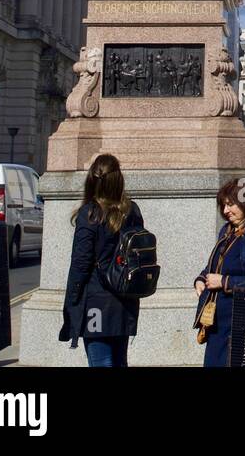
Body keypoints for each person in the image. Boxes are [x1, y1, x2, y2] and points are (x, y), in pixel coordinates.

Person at [59, 154, 143, 366]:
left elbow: (80, 264)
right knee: (119, 360)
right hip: (125, 298)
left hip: (96, 300)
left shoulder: (90, 214)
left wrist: (71, 304)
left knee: (101, 361)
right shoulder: (131, 211)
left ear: (91, 180)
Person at [193, 177, 245, 366]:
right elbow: (214, 266)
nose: (225, 211)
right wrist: (200, 279)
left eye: (230, 205)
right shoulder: (227, 230)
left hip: (242, 321)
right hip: (217, 322)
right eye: (223, 205)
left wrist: (224, 282)